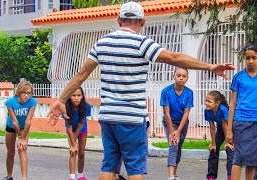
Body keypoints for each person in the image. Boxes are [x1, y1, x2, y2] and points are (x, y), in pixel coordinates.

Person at [48, 2, 234, 180]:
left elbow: (81, 74)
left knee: (109, 166)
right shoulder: (142, 43)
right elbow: (174, 57)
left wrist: (60, 100)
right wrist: (210, 66)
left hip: (108, 116)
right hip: (132, 118)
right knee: (134, 167)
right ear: (142, 22)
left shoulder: (102, 43)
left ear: (118, 20)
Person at [226, 43, 257, 180]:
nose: (251, 61)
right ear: (243, 58)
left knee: (253, 160)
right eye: (248, 58)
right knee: (239, 158)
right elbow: (233, 103)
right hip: (241, 121)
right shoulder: (238, 77)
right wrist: (229, 129)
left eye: (254, 57)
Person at [160, 68, 193, 180]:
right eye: (178, 75)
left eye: (184, 76)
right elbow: (167, 113)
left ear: (187, 78)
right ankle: (171, 176)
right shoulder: (166, 91)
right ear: (173, 76)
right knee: (173, 144)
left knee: (178, 148)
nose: (181, 78)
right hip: (170, 121)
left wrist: (178, 131)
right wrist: (172, 132)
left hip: (182, 123)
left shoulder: (189, 93)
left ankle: (174, 174)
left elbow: (186, 113)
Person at [3, 81, 37, 180]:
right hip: (11, 127)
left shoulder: (32, 102)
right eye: (24, 93)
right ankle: (9, 175)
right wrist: (20, 137)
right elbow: (14, 122)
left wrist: (23, 138)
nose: (26, 96)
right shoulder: (10, 102)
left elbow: (28, 121)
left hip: (24, 128)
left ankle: (24, 178)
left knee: (22, 150)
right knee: (11, 152)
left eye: (29, 93)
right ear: (18, 92)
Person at [204, 90, 234, 180]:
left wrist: (228, 142)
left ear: (217, 103)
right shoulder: (207, 111)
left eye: (209, 101)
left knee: (230, 150)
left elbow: (226, 126)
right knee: (213, 150)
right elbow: (212, 127)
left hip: (231, 128)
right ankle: (211, 176)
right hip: (221, 128)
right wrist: (213, 143)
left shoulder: (223, 109)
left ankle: (230, 176)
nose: (206, 103)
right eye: (206, 101)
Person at [65, 87, 91, 180]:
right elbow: (68, 126)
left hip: (82, 130)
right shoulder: (65, 107)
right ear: (69, 96)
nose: (76, 98)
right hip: (70, 130)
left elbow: (81, 123)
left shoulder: (86, 106)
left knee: (81, 153)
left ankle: (80, 175)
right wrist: (73, 143)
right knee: (73, 152)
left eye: (79, 95)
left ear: (82, 96)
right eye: (74, 95)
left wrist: (75, 142)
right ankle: (71, 177)